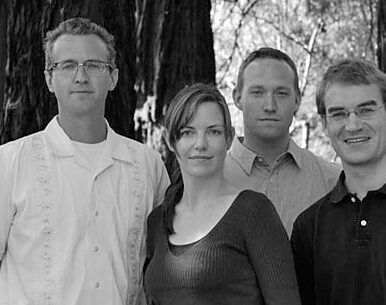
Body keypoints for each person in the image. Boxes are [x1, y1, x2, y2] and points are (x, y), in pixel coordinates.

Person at [0, 18, 169, 305]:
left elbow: (164, 265)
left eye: (93, 65)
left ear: (113, 77)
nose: (81, 76)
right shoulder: (10, 162)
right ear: (49, 79)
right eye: (67, 66)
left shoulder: (147, 165)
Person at [291, 59, 386, 305]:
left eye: (366, 110)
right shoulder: (309, 227)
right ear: (325, 124)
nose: (353, 124)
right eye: (338, 114)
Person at [144, 83, 299, 305]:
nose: (200, 144)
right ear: (171, 141)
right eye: (188, 132)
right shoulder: (157, 222)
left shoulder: (254, 212)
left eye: (213, 132)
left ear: (229, 138)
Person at [224, 47, 340, 237]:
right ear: (237, 98)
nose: (269, 106)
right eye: (257, 92)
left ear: (297, 100)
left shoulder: (331, 181)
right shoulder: (211, 179)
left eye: (281, 93)